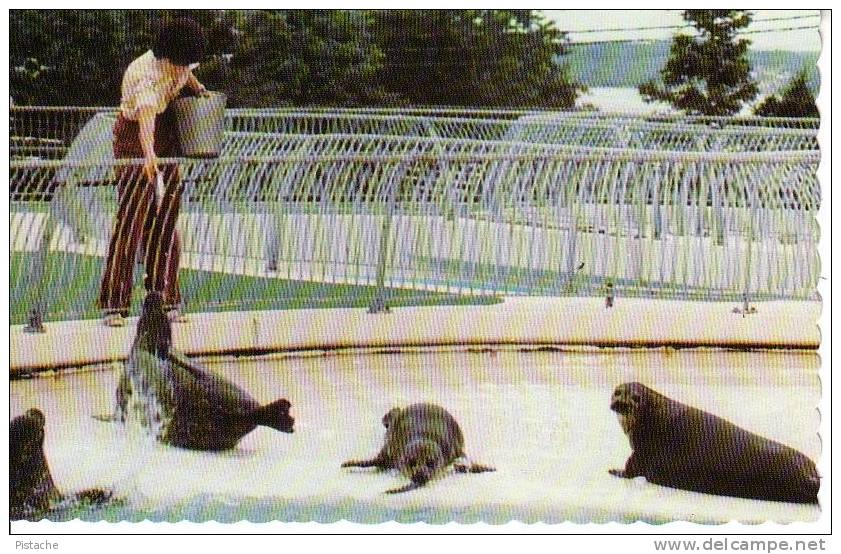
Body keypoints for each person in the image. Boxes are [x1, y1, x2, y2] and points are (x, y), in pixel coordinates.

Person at [99, 18, 208, 327]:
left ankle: (166, 298)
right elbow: (146, 121)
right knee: (132, 218)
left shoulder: (181, 63)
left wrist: (199, 89)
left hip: (166, 131)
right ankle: (114, 304)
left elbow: (188, 76)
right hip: (136, 136)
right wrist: (149, 158)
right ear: (166, 59)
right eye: (180, 64)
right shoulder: (146, 76)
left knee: (167, 217)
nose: (184, 68)